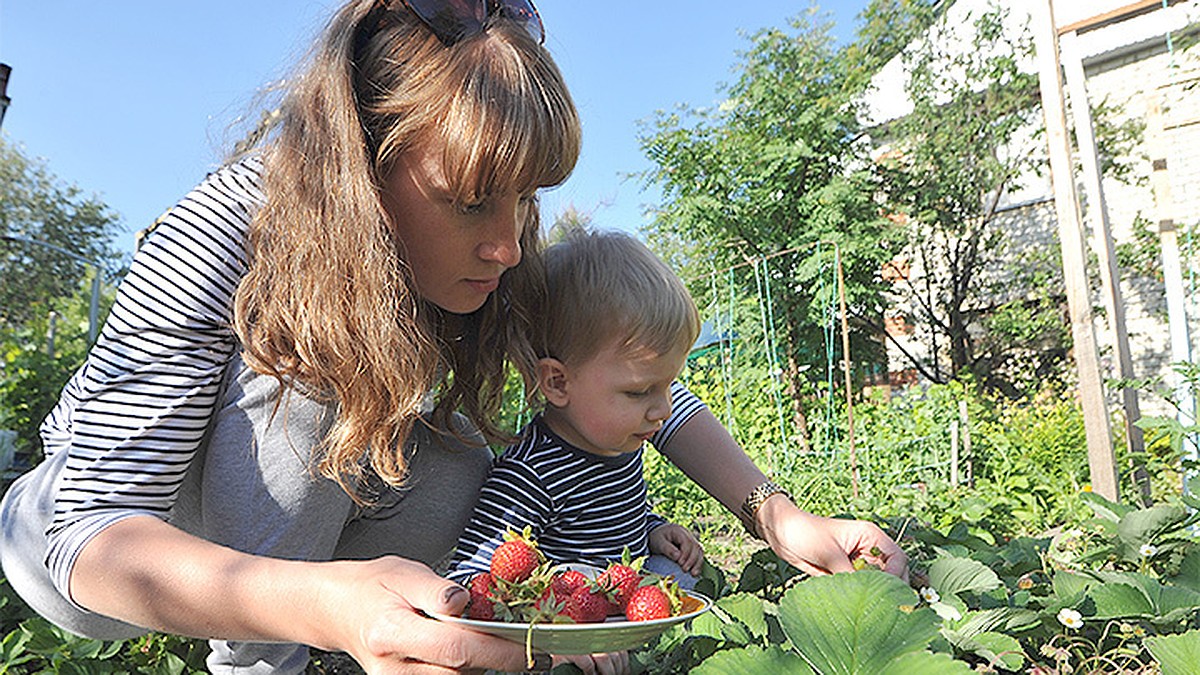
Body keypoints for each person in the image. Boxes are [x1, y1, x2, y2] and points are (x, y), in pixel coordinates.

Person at [0, 1, 907, 674]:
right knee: (323, 380)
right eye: (472, 200)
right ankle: (268, 656)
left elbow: (626, 374)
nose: (509, 243)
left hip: (293, 538)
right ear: (363, 161)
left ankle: (362, 634)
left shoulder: (496, 247)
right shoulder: (222, 232)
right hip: (109, 547)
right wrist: (321, 604)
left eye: (524, 200)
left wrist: (779, 515)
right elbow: (83, 536)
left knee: (463, 457)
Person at [446, 230, 705, 591]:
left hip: (618, 601)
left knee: (679, 574)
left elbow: (616, 520)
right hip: (565, 627)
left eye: (668, 385)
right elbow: (471, 577)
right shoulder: (529, 476)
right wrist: (562, 587)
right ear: (557, 383)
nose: (663, 409)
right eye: (640, 391)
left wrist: (653, 528)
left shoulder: (617, 443)